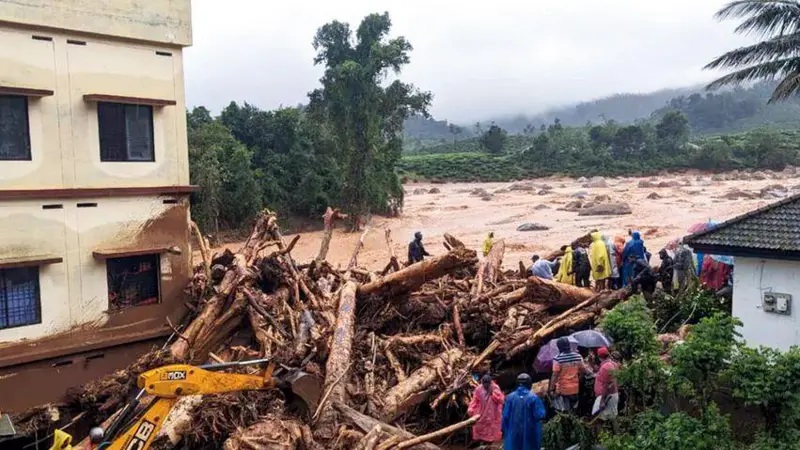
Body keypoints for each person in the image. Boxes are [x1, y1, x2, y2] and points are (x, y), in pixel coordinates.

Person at [502, 373, 546, 450]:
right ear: (529, 383)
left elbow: (505, 416)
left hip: (513, 433)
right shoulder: (533, 398)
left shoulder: (510, 397)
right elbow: (540, 415)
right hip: (530, 432)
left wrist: (505, 430)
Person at [549, 337, 592, 413]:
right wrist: (592, 373)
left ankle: (568, 420)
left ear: (559, 347)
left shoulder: (557, 359)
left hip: (562, 388)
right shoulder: (577, 356)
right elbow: (584, 370)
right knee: (574, 407)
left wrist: (551, 389)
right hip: (575, 387)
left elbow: (555, 375)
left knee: (565, 409)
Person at [467, 374, 505, 446]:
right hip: (482, 413)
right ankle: (482, 444)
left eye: (487, 383)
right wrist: (471, 409)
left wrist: (492, 393)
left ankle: (489, 444)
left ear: (490, 382)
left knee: (491, 431)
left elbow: (501, 400)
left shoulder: (495, 388)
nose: (485, 385)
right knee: (480, 429)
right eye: (484, 383)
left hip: (493, 414)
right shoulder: (478, 389)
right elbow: (475, 400)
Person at [592, 347, 620, 431]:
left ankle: (602, 440)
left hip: (606, 396)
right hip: (613, 394)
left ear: (599, 357)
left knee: (598, 419)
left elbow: (606, 385)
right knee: (613, 417)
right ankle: (617, 436)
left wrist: (602, 401)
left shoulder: (605, 367)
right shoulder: (614, 364)